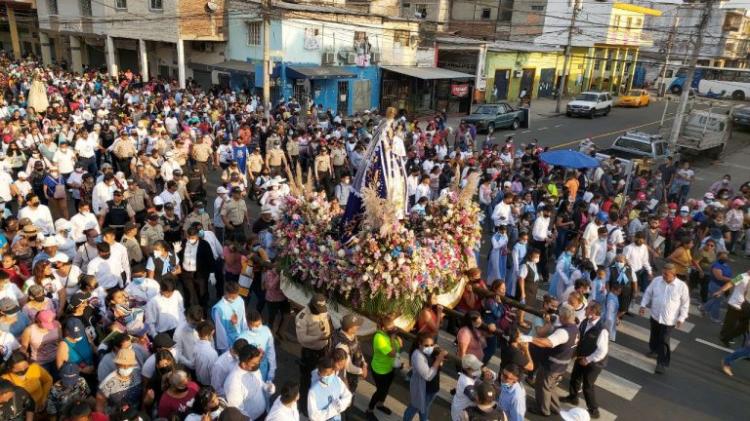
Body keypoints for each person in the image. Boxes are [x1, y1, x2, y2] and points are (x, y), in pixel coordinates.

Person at [528, 303, 579, 416]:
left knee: (542, 386)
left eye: (560, 315)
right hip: (562, 365)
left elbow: (548, 342)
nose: (558, 317)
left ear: (564, 317)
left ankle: (543, 409)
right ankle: (555, 407)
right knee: (551, 386)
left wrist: (530, 339)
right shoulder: (574, 328)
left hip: (551, 366)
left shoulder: (563, 332)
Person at [639, 263, 690, 374]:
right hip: (655, 316)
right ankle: (654, 350)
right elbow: (648, 293)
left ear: (674, 274)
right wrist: (643, 305)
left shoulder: (681, 286)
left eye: (666, 274)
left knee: (664, 340)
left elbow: (685, 304)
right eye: (663, 273)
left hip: (669, 320)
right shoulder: (657, 280)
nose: (663, 276)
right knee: (654, 336)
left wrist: (681, 318)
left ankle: (661, 363)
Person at [562, 302, 608, 419]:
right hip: (581, 356)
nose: (585, 310)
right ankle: (573, 397)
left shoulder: (602, 329)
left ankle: (594, 410)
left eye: (587, 309)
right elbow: (580, 338)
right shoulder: (584, 322)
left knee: (588, 386)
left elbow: (602, 351)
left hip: (594, 363)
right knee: (575, 377)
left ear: (592, 312)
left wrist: (587, 360)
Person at [295, 293, 333, 413]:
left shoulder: (323, 311)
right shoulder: (303, 317)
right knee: (306, 381)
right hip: (310, 353)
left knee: (321, 378)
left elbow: (327, 321)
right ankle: (304, 406)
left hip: (323, 350)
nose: (321, 312)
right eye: (318, 309)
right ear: (311, 305)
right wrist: (318, 338)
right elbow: (302, 338)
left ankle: (316, 402)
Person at [404, 331, 448, 421]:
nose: (430, 347)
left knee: (424, 407)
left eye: (432, 345)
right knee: (414, 407)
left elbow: (437, 368)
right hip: (423, 389)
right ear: (419, 344)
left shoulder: (432, 352)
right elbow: (428, 376)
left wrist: (439, 358)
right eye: (426, 345)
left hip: (432, 388)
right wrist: (438, 360)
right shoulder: (417, 356)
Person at [224, 344, 273, 420]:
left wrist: (267, 387)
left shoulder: (253, 368)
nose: (257, 365)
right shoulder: (233, 384)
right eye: (254, 363)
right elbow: (238, 412)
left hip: (263, 413)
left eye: (258, 362)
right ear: (244, 364)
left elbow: (260, 383)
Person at [366, 313, 401, 421]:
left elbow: (399, 346)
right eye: (390, 328)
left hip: (389, 368)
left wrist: (395, 340)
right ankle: (369, 410)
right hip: (380, 370)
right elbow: (392, 353)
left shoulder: (388, 335)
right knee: (380, 391)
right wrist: (393, 338)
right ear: (382, 328)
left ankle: (380, 404)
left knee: (386, 390)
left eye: (393, 327)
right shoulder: (379, 337)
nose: (392, 329)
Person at [96, 347, 143, 413]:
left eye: (129, 365)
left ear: (133, 365)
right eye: (122, 365)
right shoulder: (107, 383)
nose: (126, 368)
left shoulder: (138, 373)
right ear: (116, 364)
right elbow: (100, 405)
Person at [332, 314, 367, 397]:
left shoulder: (351, 335)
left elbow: (358, 349)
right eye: (356, 325)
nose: (358, 326)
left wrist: (364, 363)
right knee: (345, 398)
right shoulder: (342, 346)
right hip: (345, 378)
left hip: (354, 374)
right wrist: (362, 371)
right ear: (350, 329)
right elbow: (348, 367)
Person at [712, 269, 750, 347]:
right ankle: (725, 337)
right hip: (735, 304)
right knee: (730, 324)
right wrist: (721, 291)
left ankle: (728, 336)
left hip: (746, 306)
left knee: (744, 326)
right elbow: (730, 283)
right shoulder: (741, 276)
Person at [308, 356, 352, 421]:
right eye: (326, 374)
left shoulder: (337, 380)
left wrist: (340, 404)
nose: (329, 376)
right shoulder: (313, 392)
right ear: (319, 373)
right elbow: (314, 416)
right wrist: (333, 409)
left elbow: (348, 396)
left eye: (331, 373)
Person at [238, 310, 276, 383]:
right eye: (255, 326)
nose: (258, 327)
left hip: (263, 370)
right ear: (248, 324)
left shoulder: (266, 330)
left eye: (259, 324)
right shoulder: (242, 338)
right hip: (249, 372)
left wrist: (271, 372)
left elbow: (271, 353)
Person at [212, 281, 249, 354]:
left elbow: (243, 319)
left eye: (236, 296)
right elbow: (220, 331)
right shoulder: (219, 309)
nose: (234, 299)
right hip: (228, 340)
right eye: (232, 297)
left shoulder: (240, 300)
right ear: (226, 292)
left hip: (240, 335)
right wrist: (225, 349)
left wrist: (245, 334)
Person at [702, 251, 733, 323]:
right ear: (718, 257)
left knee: (715, 299)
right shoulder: (717, 266)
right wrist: (732, 280)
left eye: (726, 257)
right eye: (723, 257)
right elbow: (719, 277)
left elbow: (734, 280)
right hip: (716, 285)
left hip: (724, 286)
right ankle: (714, 317)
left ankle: (703, 308)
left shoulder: (726, 265)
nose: (725, 258)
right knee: (717, 301)